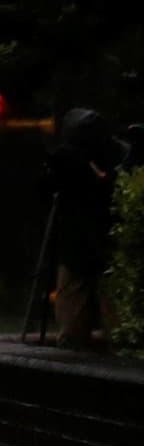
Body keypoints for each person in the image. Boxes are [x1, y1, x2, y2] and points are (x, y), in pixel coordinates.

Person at [45, 108, 132, 350]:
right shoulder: (72, 167)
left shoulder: (117, 165)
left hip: (109, 251)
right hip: (78, 250)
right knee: (72, 328)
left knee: (120, 329)